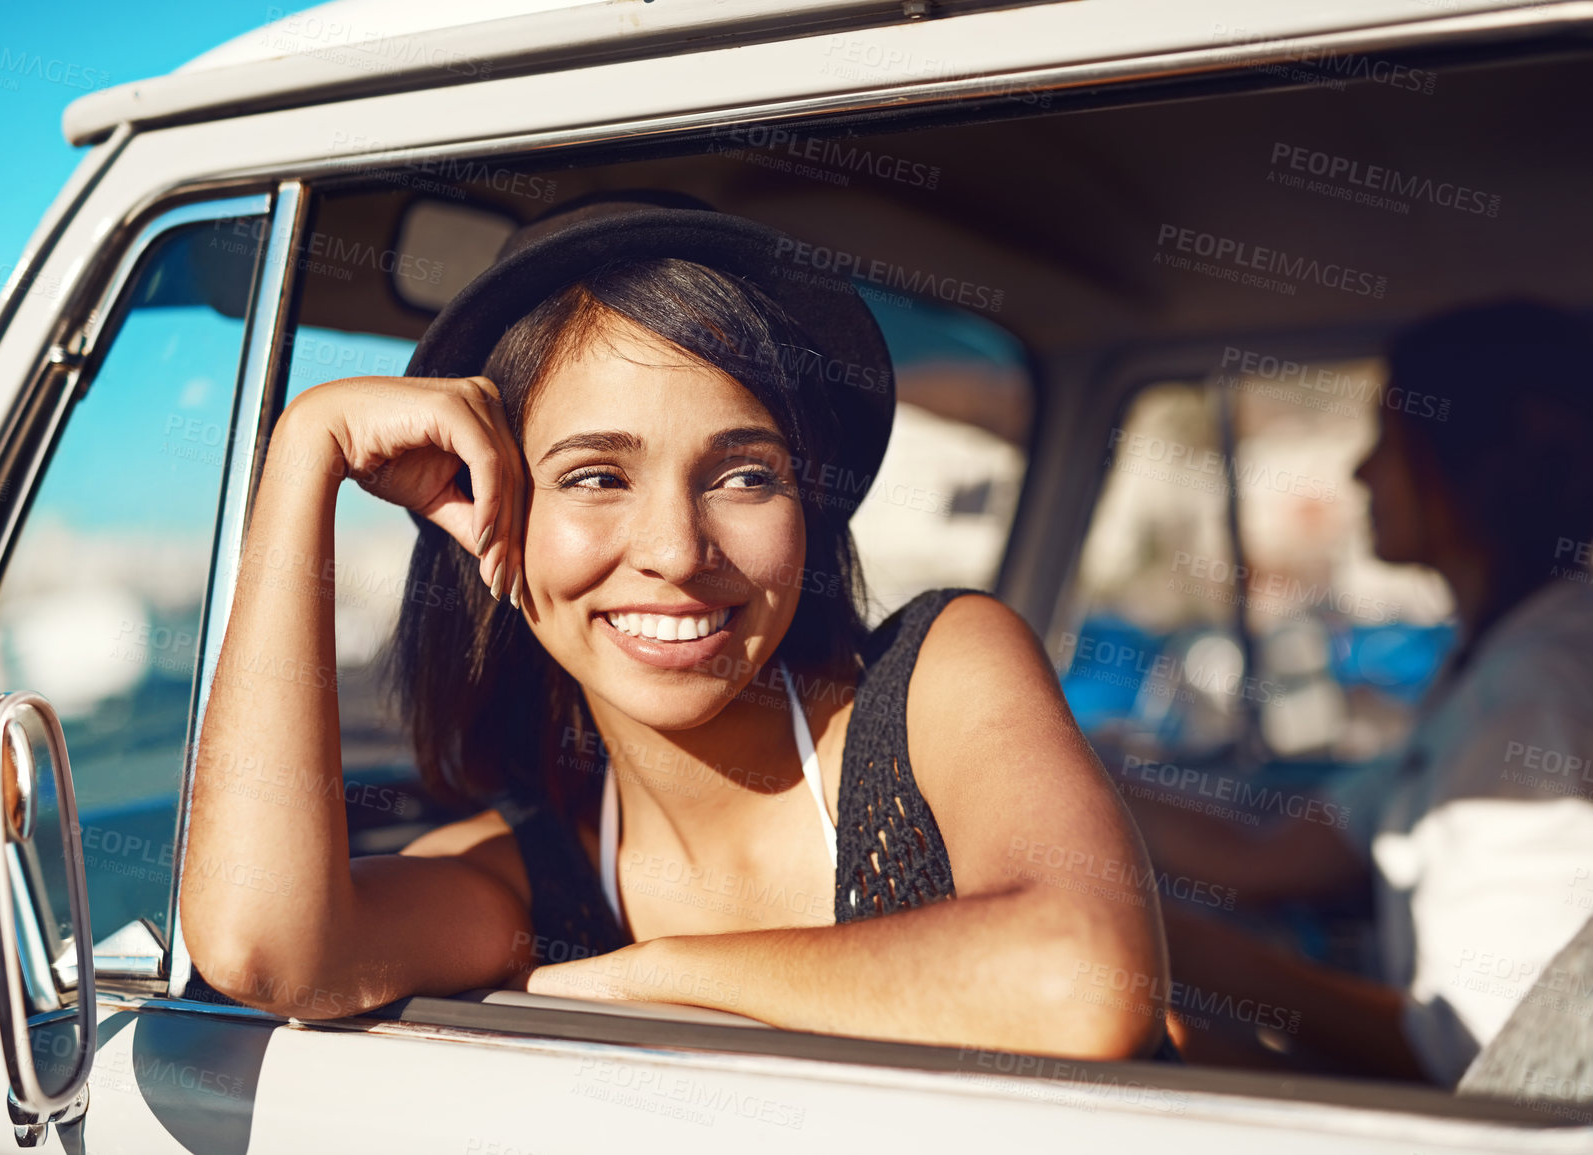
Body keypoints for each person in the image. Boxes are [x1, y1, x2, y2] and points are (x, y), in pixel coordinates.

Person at [178, 191, 1170, 1059]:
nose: (678, 551)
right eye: (597, 476)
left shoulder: (941, 676)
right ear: (494, 516)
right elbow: (266, 949)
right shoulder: (526, 877)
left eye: (744, 475)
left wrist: (641, 976)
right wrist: (308, 449)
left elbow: (1085, 988)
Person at [1128, 299, 1593, 1084]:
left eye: (1388, 439)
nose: (1359, 470)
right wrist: (1046, 773)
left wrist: (1141, 941)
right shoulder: (1487, 665)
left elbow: (1481, 1059)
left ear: (1471, 463)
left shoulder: (1533, 692)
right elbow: (1263, 860)